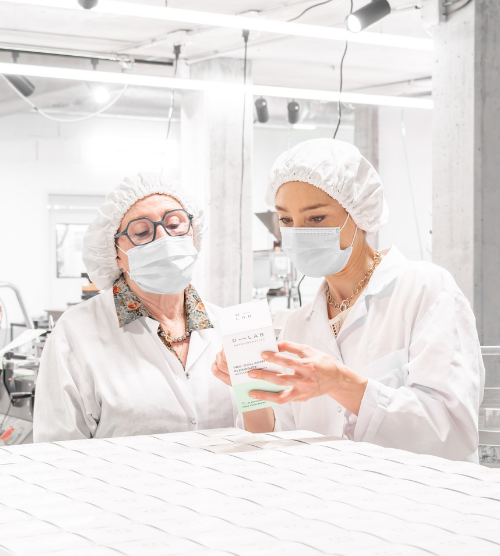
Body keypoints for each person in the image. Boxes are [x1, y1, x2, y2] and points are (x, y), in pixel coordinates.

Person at [213, 139, 484, 462]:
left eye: (316, 219)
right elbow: (279, 439)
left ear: (359, 215)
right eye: (286, 220)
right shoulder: (299, 323)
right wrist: (250, 388)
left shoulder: (425, 289)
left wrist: (341, 383)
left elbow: (452, 432)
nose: (298, 233)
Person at [34, 172, 235, 441]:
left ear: (193, 234)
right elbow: (58, 450)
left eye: (175, 225)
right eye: (141, 232)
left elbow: (265, 425)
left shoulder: (227, 324)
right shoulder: (75, 333)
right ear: (116, 254)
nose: (164, 238)